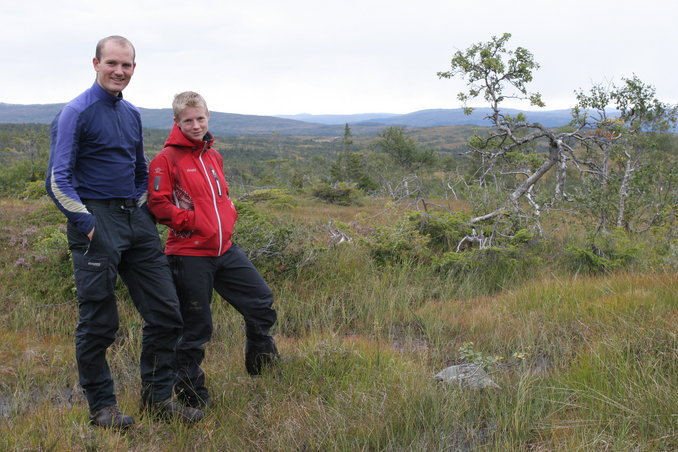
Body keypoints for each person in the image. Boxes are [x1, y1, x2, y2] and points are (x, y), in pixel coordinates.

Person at [45, 36, 204, 428]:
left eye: (127, 65)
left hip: (135, 220)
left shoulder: (130, 113)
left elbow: (139, 170)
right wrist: (88, 224)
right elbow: (58, 180)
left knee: (167, 314)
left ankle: (157, 399)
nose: (119, 71)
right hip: (95, 220)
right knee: (99, 322)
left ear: (134, 68)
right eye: (112, 63)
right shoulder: (75, 112)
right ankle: (103, 408)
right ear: (96, 63)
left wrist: (140, 209)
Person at [147, 91, 279, 409]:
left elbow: (220, 197)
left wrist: (228, 213)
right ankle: (192, 396)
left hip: (224, 249)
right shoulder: (166, 159)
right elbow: (157, 204)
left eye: (200, 118)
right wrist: (192, 222)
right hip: (189, 253)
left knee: (261, 302)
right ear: (176, 121)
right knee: (195, 329)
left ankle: (261, 362)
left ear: (208, 117)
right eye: (188, 120)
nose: (195, 125)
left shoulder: (213, 156)